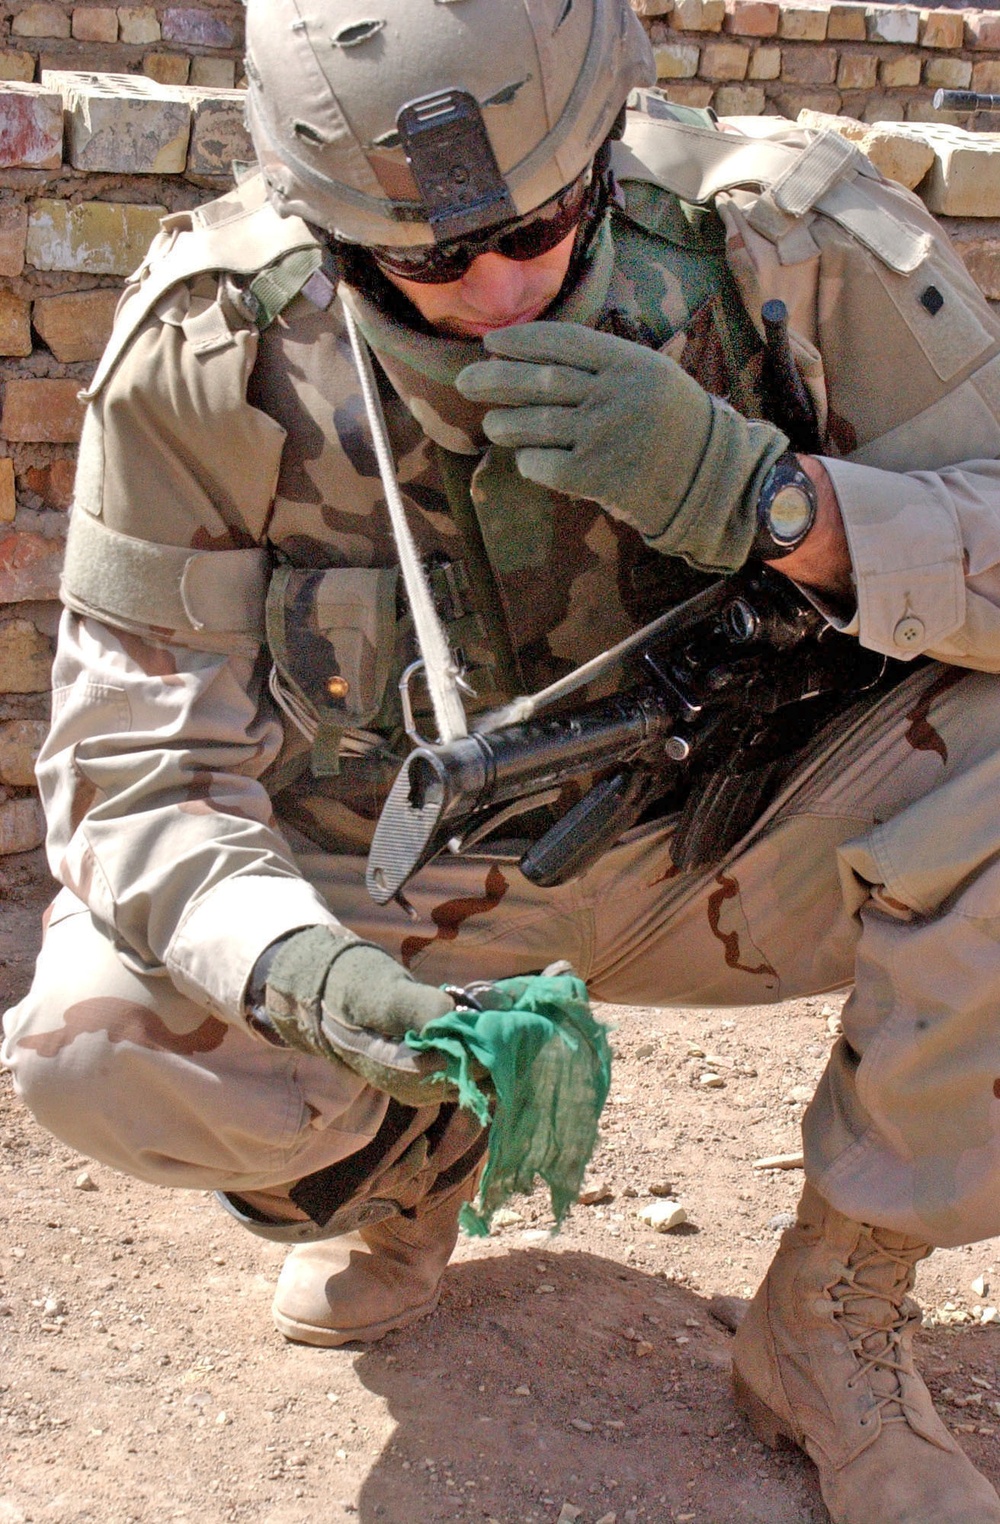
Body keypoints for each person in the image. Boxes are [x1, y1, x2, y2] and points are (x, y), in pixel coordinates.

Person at [4, 0, 1000, 1517]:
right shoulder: (216, 346)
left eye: (543, 222)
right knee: (99, 1036)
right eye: (425, 260)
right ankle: (412, 1148)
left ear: (606, 136)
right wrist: (310, 981)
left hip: (746, 839)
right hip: (406, 889)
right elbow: (130, 769)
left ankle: (834, 1315)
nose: (497, 284)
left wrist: (782, 502)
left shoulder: (786, 246)